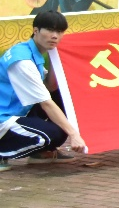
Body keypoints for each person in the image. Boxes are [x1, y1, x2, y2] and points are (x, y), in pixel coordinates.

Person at [0, 10, 87, 170]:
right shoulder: (22, 61)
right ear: (36, 30)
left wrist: (56, 57)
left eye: (59, 32)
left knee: (65, 97)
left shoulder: (32, 51)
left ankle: (40, 153)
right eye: (50, 30)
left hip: (17, 110)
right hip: (3, 117)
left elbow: (51, 87)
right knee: (53, 133)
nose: (55, 36)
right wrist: (74, 135)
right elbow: (46, 103)